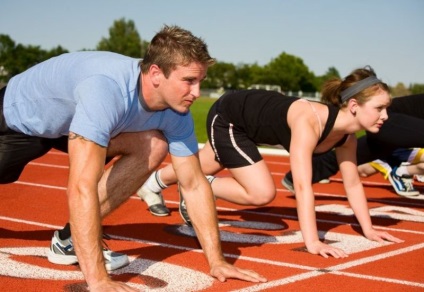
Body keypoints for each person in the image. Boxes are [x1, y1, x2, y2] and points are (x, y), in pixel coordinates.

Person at [0, 25, 266, 291]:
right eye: (189, 81)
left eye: (200, 82)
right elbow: (81, 187)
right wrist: (99, 281)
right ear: (155, 74)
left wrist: (217, 261)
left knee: (153, 145)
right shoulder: (106, 91)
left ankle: (69, 239)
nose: (196, 92)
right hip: (18, 118)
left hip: (71, 121)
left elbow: (194, 184)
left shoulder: (177, 113)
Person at [138, 66, 403, 258]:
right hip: (231, 116)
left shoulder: (346, 139)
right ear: (354, 105)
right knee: (261, 192)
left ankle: (153, 183)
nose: (386, 115)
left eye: (387, 108)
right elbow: (302, 186)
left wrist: (368, 229)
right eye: (380, 108)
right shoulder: (310, 120)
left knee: (197, 166)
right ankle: (196, 188)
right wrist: (313, 242)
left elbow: (353, 183)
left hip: (250, 125)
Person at [282, 93, 424, 197]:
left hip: (393, 126)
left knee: (346, 157)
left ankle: (294, 178)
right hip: (387, 119)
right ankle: (393, 164)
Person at [357, 148, 424, 196]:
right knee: (362, 171)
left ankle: (408, 169)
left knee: (363, 171)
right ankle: (402, 172)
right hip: (402, 147)